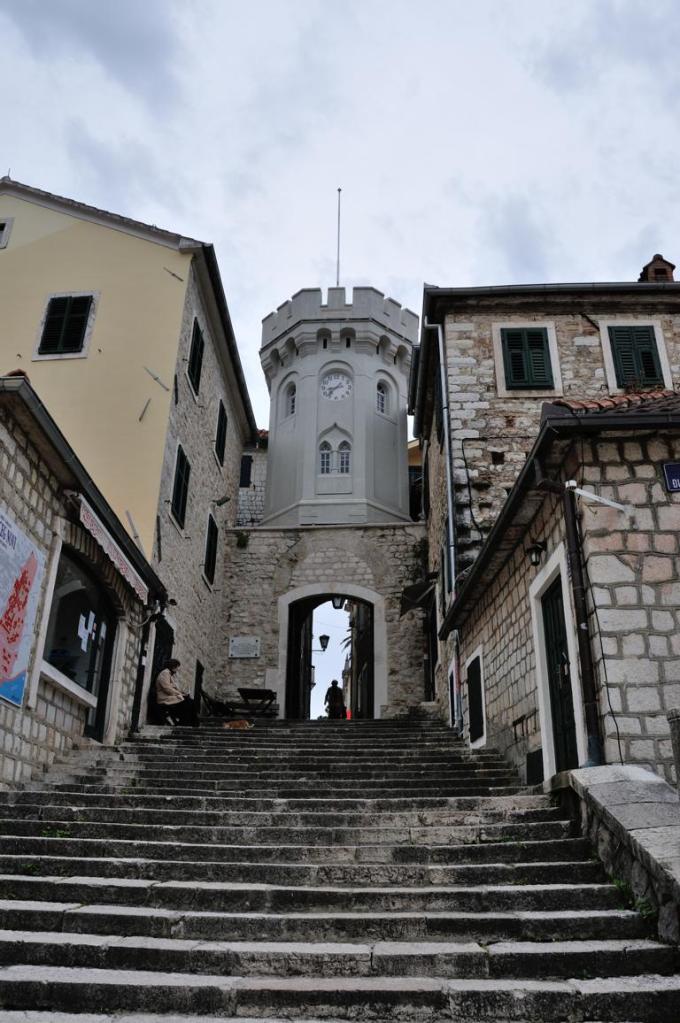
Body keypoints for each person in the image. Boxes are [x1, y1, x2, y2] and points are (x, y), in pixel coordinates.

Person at [155, 659, 197, 726]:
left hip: (170, 697)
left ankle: (191, 723)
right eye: (177, 667)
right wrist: (180, 694)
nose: (177, 669)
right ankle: (186, 723)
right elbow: (167, 689)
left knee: (190, 701)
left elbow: (173, 688)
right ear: (173, 666)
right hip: (164, 698)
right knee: (188, 702)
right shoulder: (165, 673)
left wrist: (182, 693)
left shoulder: (169, 674)